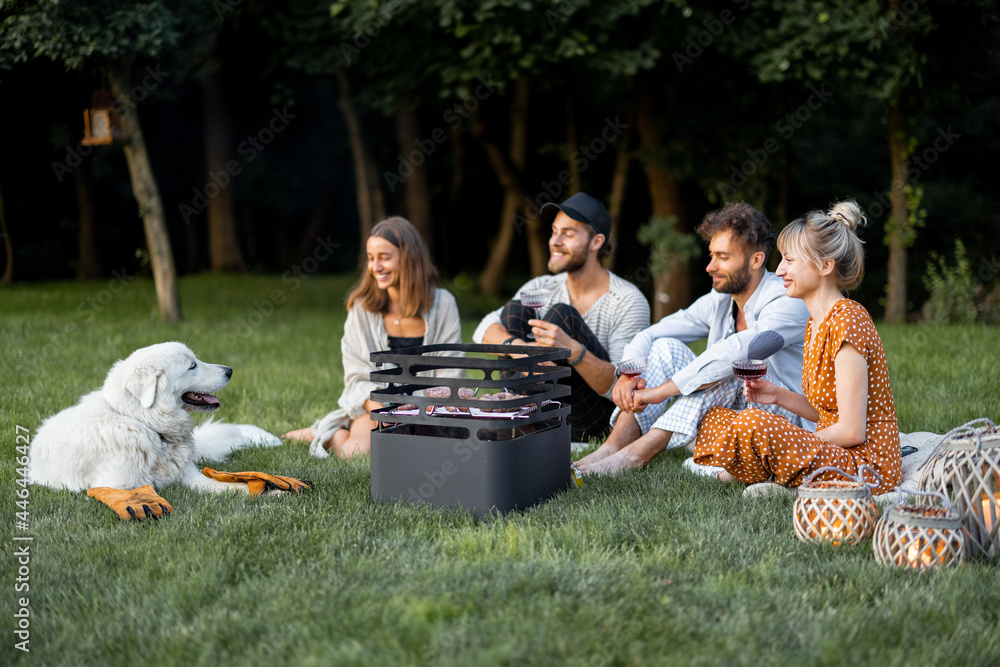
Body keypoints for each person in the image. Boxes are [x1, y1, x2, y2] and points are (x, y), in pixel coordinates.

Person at [575, 202, 811, 475]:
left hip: (791, 419)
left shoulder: (786, 299)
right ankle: (612, 447)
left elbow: (737, 351)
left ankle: (637, 454)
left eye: (723, 257)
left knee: (736, 367)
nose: (710, 266)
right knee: (666, 348)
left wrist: (659, 393)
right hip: (736, 414)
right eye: (711, 255)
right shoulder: (719, 301)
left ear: (756, 260)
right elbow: (653, 333)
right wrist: (630, 373)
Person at [692, 201, 902, 497]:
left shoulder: (849, 320)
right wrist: (777, 396)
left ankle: (754, 472)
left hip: (865, 464)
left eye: (789, 260)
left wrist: (793, 439)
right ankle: (763, 471)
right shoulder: (815, 324)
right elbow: (828, 414)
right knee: (719, 419)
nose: (779, 271)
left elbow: (852, 431)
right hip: (834, 449)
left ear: (825, 266)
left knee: (756, 425)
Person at [472, 192, 650, 442]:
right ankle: (515, 414)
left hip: (590, 421)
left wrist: (573, 351)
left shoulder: (628, 300)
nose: (554, 241)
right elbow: (483, 328)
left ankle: (506, 416)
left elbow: (620, 388)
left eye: (568, 234)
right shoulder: (542, 285)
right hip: (541, 405)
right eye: (554, 231)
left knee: (561, 315)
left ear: (596, 241)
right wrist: (520, 349)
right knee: (514, 309)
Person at [283, 216, 464, 458]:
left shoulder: (443, 305)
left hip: (430, 412)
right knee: (359, 453)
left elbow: (451, 374)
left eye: (384, 257)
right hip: (376, 409)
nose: (375, 266)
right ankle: (333, 435)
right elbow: (357, 376)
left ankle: (325, 430)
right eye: (371, 258)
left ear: (409, 257)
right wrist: (384, 415)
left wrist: (418, 416)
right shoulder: (362, 308)